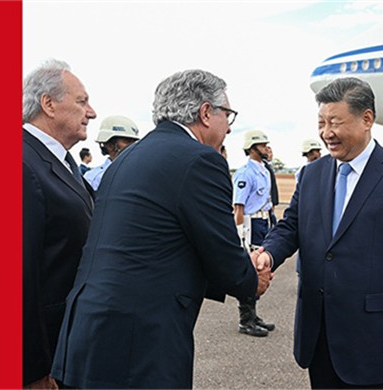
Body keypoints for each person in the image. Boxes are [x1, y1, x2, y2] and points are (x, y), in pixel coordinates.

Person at [50, 69, 270, 389]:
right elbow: (219, 249)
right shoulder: (200, 161)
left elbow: (156, 246)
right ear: (206, 113)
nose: (230, 127)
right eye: (228, 115)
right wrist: (250, 279)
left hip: (86, 336)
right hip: (137, 344)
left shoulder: (127, 158)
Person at [256, 77, 383, 389]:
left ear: (366, 119)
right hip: (321, 337)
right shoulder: (311, 174)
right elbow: (291, 225)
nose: (326, 133)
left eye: (335, 122)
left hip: (379, 342)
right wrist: (269, 254)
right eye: (321, 122)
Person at [22, 59, 97, 388]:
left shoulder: (61, 162)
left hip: (68, 344)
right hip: (44, 356)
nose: (91, 112)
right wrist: (31, 369)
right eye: (81, 101)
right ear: (48, 104)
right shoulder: (22, 163)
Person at [232, 130, 276, 337]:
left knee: (259, 268)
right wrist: (240, 234)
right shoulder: (244, 173)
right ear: (252, 148)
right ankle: (245, 320)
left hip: (262, 222)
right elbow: (238, 207)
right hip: (250, 224)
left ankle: (253, 314)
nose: (267, 148)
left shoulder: (265, 170)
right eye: (262, 145)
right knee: (250, 269)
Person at [83, 115, 140, 190]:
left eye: (134, 141)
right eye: (127, 141)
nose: (133, 146)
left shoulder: (140, 173)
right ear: (110, 145)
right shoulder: (93, 178)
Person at [264, 145, 279, 227]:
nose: (270, 154)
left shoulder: (268, 166)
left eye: (271, 152)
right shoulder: (264, 167)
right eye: (268, 152)